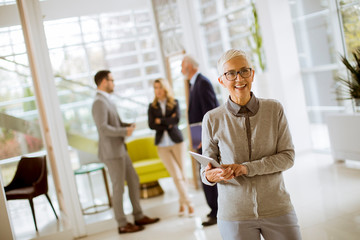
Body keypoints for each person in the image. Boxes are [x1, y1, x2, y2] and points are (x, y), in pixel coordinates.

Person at [200, 49, 302, 240]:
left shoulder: (274, 109)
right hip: (234, 214)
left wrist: (246, 169)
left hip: (277, 207)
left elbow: (287, 157)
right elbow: (205, 170)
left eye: (244, 71)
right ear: (221, 80)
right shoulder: (212, 119)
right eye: (230, 73)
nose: (239, 78)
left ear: (252, 74)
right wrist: (210, 176)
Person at [92, 70, 160, 234]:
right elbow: (103, 128)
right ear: (103, 82)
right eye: (112, 80)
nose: (114, 83)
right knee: (118, 188)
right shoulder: (99, 102)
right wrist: (124, 132)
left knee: (133, 180)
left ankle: (138, 215)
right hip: (112, 152)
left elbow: (113, 123)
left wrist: (126, 126)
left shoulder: (107, 100)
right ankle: (122, 224)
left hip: (121, 149)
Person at [148, 78, 195, 217]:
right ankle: (189, 204)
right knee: (176, 175)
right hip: (162, 146)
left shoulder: (174, 103)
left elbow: (176, 120)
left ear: (165, 89)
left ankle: (182, 203)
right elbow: (152, 124)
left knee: (183, 175)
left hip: (177, 143)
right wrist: (167, 122)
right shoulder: (152, 107)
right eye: (156, 88)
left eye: (160, 87)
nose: (158, 91)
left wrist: (160, 121)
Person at [181, 55, 219, 226]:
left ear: (189, 66)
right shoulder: (193, 84)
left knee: (208, 169)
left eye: (182, 65)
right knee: (202, 170)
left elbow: (210, 112)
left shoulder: (202, 83)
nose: (181, 69)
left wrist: (206, 137)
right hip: (198, 133)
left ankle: (216, 211)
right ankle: (214, 209)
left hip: (204, 134)